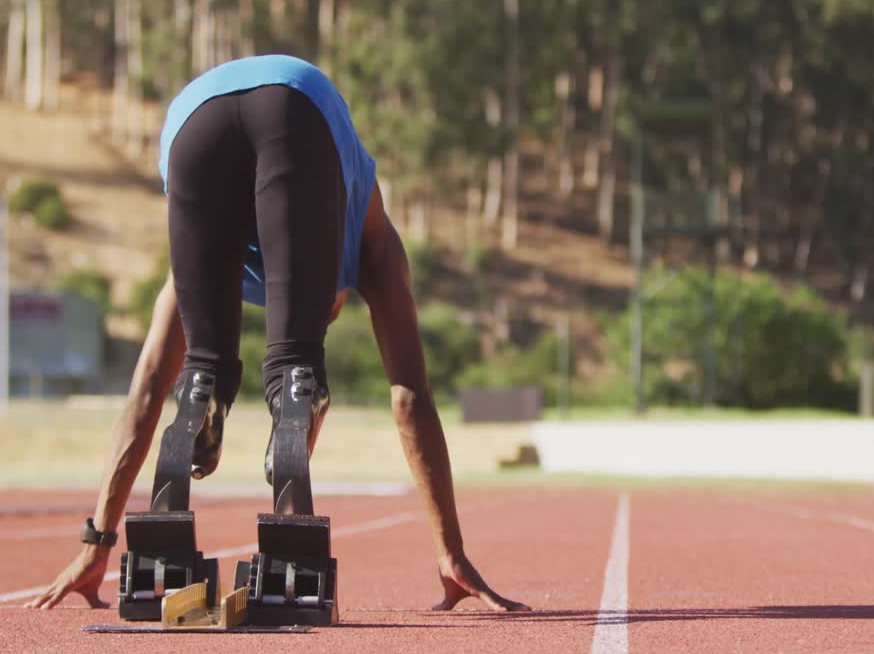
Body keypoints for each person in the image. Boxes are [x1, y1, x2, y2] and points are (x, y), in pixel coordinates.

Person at [26, 55, 528, 614]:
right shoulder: (374, 244)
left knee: (200, 374)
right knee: (297, 376)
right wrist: (449, 550)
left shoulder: (230, 251)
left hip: (193, 119)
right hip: (297, 106)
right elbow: (411, 393)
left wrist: (100, 542)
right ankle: (293, 407)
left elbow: (147, 384)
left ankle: (205, 403)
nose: (329, 313)